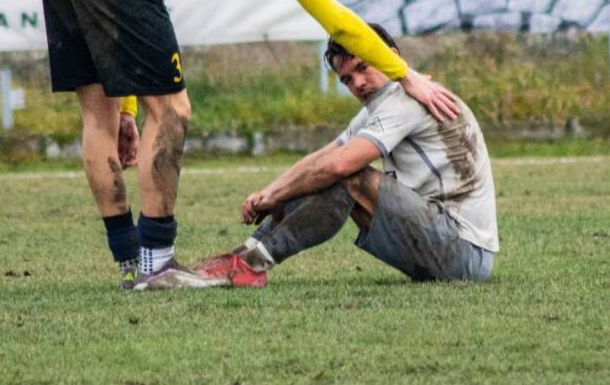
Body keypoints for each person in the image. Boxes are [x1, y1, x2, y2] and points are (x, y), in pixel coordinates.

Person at [40, 0, 461, 291]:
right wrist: (405, 74)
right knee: (172, 110)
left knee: (100, 119)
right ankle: (158, 262)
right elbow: (335, 19)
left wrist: (127, 110)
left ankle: (132, 265)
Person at [196, 24, 498, 287]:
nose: (358, 83)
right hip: (444, 244)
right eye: (347, 79)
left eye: (363, 67)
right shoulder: (383, 103)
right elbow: (324, 156)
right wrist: (270, 192)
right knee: (322, 173)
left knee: (346, 174)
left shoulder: (406, 100)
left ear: (392, 55)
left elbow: (338, 165)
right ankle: (242, 256)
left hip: (464, 254)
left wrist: (278, 196)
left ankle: (254, 264)